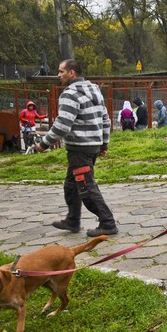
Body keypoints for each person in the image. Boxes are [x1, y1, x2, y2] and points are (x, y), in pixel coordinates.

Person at [35, 59, 118, 237]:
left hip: (79, 148)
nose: (58, 75)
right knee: (71, 185)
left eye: (61, 71)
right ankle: (73, 220)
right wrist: (103, 143)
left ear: (71, 73)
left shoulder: (70, 94)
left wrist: (44, 143)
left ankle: (108, 223)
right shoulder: (95, 90)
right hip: (92, 145)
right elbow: (106, 120)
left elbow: (62, 125)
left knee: (86, 188)